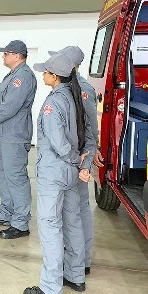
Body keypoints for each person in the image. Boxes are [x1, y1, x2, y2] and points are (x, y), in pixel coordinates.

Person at [23, 52, 95, 294]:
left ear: (55, 76)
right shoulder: (76, 96)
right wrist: (80, 164)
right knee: (73, 221)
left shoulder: (54, 103)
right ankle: (75, 276)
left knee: (50, 226)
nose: (43, 74)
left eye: (45, 71)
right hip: (71, 176)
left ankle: (51, 290)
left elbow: (59, 142)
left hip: (55, 173)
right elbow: (86, 136)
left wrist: (76, 159)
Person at [50, 46, 100, 275]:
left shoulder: (83, 91)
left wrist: (87, 161)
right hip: (70, 163)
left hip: (79, 162)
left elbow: (89, 130)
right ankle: (74, 261)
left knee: (79, 212)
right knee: (71, 214)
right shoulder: (69, 89)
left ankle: (83, 261)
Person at [0, 40, 37, 239]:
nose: (3, 56)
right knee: (3, 176)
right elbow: (0, 102)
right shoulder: (12, 76)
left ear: (16, 55)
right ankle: (7, 213)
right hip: (2, 134)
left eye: (6, 53)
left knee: (16, 178)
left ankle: (21, 224)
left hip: (14, 135)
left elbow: (9, 106)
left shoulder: (23, 77)